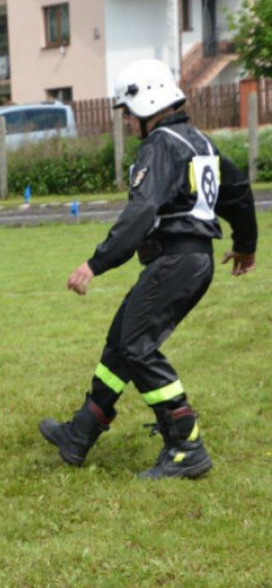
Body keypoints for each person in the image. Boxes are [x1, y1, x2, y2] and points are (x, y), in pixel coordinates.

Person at [39, 58, 258, 479]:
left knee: (138, 346)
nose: (125, 122)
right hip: (189, 261)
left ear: (146, 103)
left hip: (177, 260)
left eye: (126, 113)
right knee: (122, 340)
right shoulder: (199, 142)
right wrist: (245, 245)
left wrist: (95, 263)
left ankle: (186, 445)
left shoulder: (161, 144)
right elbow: (238, 191)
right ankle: (81, 432)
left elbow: (142, 212)